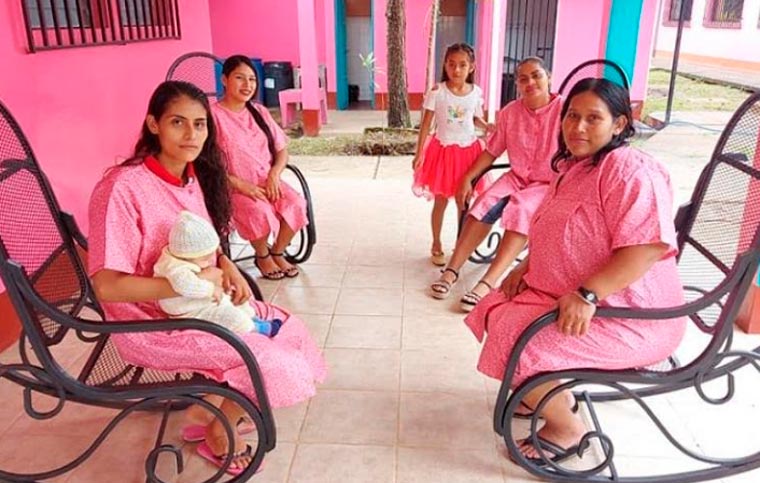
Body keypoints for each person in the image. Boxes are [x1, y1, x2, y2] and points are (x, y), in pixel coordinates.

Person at [88, 81, 326, 475]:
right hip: (152, 322)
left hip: (201, 304)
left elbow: (201, 244)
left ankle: (218, 412)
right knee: (267, 361)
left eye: (199, 124)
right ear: (153, 124)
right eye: (177, 122)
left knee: (288, 328)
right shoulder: (122, 187)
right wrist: (193, 284)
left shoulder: (189, 176)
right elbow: (107, 286)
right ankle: (218, 433)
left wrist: (226, 265)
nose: (191, 134)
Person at [464, 78, 687, 465]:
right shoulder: (575, 165)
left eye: (593, 118)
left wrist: (588, 294)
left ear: (619, 124)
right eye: (571, 116)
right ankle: (546, 392)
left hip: (631, 314)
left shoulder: (630, 170)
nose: (577, 127)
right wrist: (527, 266)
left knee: (524, 342)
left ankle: (567, 428)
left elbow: (647, 246)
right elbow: (557, 227)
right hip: (583, 296)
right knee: (499, 309)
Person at [429, 57, 562, 313]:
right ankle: (451, 271)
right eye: (523, 79)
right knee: (483, 203)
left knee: (521, 210)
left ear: (549, 77)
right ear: (517, 84)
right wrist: (468, 178)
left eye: (536, 75)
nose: (530, 82)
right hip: (516, 177)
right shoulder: (511, 112)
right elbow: (492, 150)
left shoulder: (565, 110)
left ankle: (487, 283)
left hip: (548, 182)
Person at [211, 55, 308, 280]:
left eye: (252, 79)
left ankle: (277, 252)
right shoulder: (212, 116)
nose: (247, 85)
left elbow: (282, 150)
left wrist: (275, 174)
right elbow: (206, 163)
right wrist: (240, 185)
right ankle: (262, 255)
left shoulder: (259, 112)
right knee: (259, 211)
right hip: (233, 186)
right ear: (224, 80)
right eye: (240, 78)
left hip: (267, 181)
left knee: (296, 203)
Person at [412, 43, 494, 267]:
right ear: (445, 65)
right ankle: (436, 242)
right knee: (440, 201)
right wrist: (419, 153)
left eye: (462, 65)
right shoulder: (437, 92)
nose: (456, 70)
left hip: (469, 153)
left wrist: (487, 126)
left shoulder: (475, 92)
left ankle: (461, 243)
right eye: (451, 64)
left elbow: (475, 118)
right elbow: (426, 124)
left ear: (471, 67)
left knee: (463, 202)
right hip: (443, 152)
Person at [154, 210, 283, 336]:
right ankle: (259, 328)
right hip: (188, 311)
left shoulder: (181, 255)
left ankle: (253, 318)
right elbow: (184, 285)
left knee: (234, 298)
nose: (209, 261)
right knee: (231, 317)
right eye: (205, 258)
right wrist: (211, 289)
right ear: (187, 256)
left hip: (199, 301)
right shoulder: (175, 268)